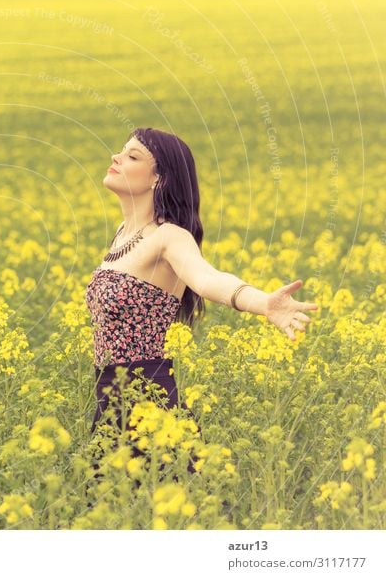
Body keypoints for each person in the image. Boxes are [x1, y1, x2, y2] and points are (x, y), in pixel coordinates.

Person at [84, 127, 319, 503]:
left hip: (148, 396)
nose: (116, 158)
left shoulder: (169, 236)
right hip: (108, 394)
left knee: (167, 511)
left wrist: (263, 303)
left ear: (158, 178)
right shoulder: (122, 234)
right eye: (120, 151)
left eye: (132, 156)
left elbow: (207, 278)